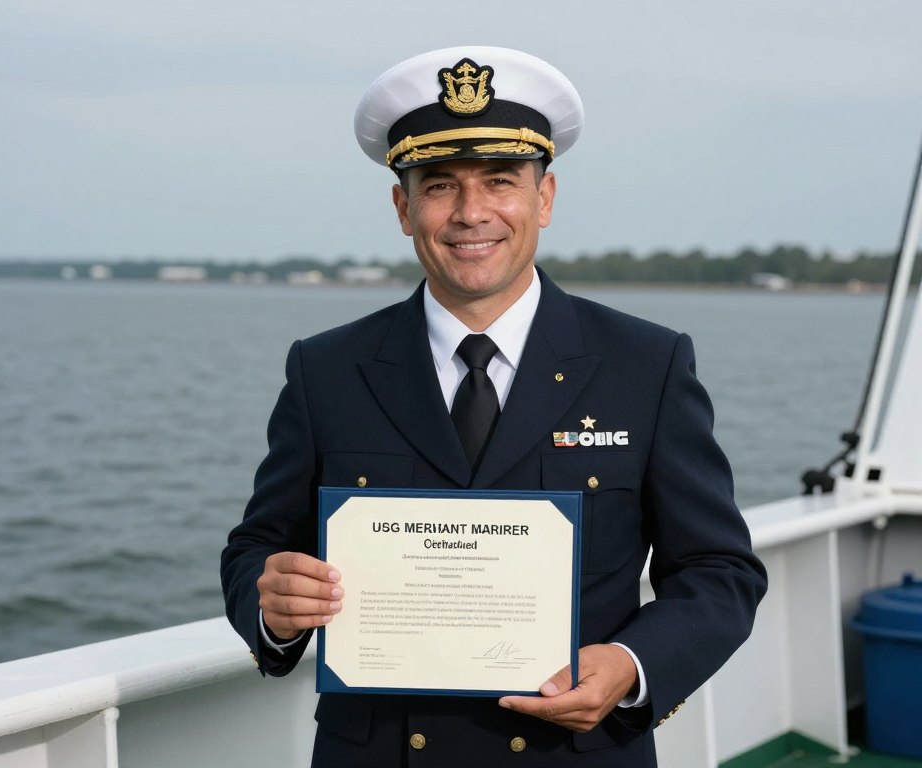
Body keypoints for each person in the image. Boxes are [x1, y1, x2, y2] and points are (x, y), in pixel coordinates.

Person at [221, 46, 767, 767]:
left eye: (500, 182)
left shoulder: (647, 365)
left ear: (544, 198)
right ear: (403, 207)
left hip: (573, 751)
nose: (471, 213)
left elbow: (719, 571)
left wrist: (631, 665)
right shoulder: (326, 368)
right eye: (439, 184)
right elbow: (256, 547)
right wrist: (274, 607)